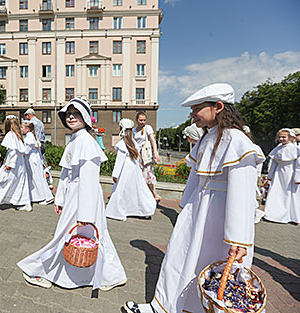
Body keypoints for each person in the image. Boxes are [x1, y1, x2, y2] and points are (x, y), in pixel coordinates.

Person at [125, 83, 264, 313]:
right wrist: (186, 210)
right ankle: (164, 306)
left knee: (214, 269)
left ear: (218, 107)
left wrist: (237, 239)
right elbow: (195, 178)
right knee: (179, 258)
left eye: (197, 108)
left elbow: (242, 193)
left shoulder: (237, 141)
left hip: (222, 218)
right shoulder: (206, 138)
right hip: (197, 211)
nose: (192, 115)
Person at [18, 98, 126, 291]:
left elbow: (89, 181)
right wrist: (59, 198)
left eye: (76, 114)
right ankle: (111, 275)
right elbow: (67, 174)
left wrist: (85, 214)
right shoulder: (76, 140)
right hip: (74, 197)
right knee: (82, 237)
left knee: (73, 236)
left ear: (85, 117)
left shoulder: (86, 142)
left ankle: (50, 272)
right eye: (68, 114)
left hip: (84, 199)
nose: (71, 117)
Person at [106, 118, 156, 221]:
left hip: (125, 169)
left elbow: (119, 161)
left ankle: (121, 210)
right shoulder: (133, 143)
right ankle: (142, 210)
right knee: (136, 190)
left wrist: (115, 174)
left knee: (122, 191)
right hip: (134, 169)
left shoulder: (122, 144)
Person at [0, 115, 31, 211]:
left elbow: (13, 151)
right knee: (19, 184)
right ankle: (25, 203)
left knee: (3, 183)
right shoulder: (18, 135)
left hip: (13, 165)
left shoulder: (11, 135)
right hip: (19, 165)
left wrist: (9, 164)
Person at [263, 128, 300, 224]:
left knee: (290, 194)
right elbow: (274, 163)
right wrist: (270, 175)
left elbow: (298, 165)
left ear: (290, 137)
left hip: (290, 174)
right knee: (276, 192)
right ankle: (274, 214)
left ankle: (292, 216)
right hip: (278, 174)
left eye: (284, 137)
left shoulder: (295, 149)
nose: (281, 139)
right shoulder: (278, 148)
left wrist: (297, 177)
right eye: (280, 137)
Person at [21, 120, 54, 205]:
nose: (21, 129)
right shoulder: (31, 136)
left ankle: (46, 197)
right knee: (36, 178)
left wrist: (19, 151)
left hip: (33, 161)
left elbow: (27, 150)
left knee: (38, 178)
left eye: (22, 127)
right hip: (34, 160)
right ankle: (39, 196)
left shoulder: (29, 137)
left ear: (27, 129)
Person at [133, 111, 162, 202]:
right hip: (137, 156)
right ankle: (144, 195)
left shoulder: (148, 128)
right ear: (136, 120)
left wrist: (156, 153)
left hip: (145, 155)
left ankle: (154, 194)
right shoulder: (134, 130)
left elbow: (153, 140)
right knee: (139, 176)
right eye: (141, 120)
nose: (143, 122)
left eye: (144, 120)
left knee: (148, 175)